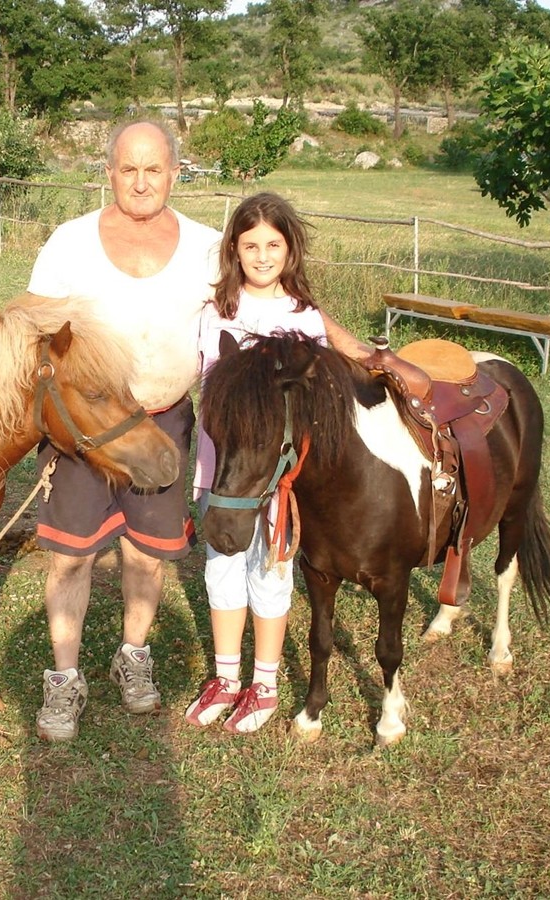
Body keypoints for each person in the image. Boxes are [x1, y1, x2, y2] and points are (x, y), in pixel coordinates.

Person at [27, 120, 222, 742]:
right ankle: (64, 677)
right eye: (128, 169)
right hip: (86, 431)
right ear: (108, 171)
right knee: (71, 554)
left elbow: (245, 325)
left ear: (174, 171)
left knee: (147, 554)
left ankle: (133, 656)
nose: (141, 182)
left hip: (163, 426)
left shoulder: (208, 248)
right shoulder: (69, 243)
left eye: (154, 169)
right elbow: (34, 330)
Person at [185, 192, 372, 734]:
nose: (262, 256)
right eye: (250, 246)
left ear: (289, 251)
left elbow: (318, 404)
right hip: (223, 473)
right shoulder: (214, 314)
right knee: (222, 568)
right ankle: (225, 677)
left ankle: (263, 683)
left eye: (273, 244)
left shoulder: (305, 318)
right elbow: (206, 392)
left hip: (281, 481)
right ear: (234, 251)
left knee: (270, 571)